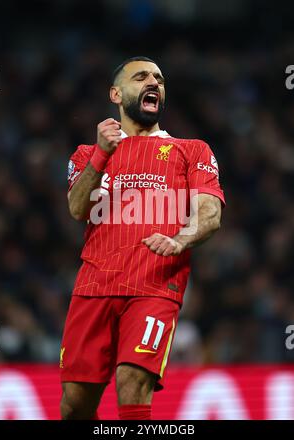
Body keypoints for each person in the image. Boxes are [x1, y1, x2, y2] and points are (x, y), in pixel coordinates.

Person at [60, 56, 225, 420]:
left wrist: (181, 239)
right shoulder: (87, 155)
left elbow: (210, 213)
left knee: (132, 381)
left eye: (160, 79)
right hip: (93, 286)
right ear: (116, 94)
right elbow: (77, 208)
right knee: (74, 404)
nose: (154, 82)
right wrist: (102, 152)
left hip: (154, 285)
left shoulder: (192, 150)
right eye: (142, 76)